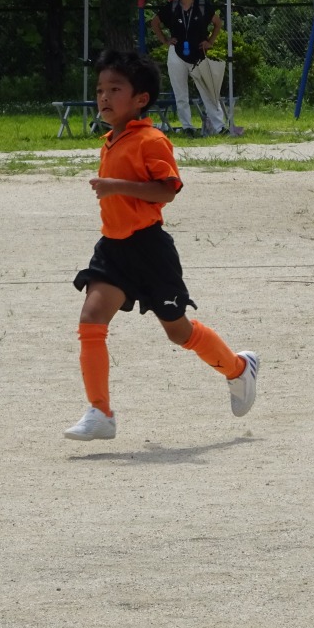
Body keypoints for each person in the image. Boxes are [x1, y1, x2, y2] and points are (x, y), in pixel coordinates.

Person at [65, 50, 258, 441]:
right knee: (91, 319)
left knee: (178, 331)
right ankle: (100, 412)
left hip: (150, 251)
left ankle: (239, 369)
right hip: (113, 249)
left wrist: (117, 186)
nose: (104, 96)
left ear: (141, 99)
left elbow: (167, 191)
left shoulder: (151, 140)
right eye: (100, 89)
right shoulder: (111, 139)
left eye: (115, 89)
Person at [150, 0, 227, 137]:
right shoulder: (172, 6)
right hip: (177, 53)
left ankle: (219, 127)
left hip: (198, 53)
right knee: (180, 92)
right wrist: (165, 40)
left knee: (208, 90)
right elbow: (154, 22)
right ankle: (187, 127)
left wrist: (210, 41)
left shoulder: (203, 5)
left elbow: (218, 23)